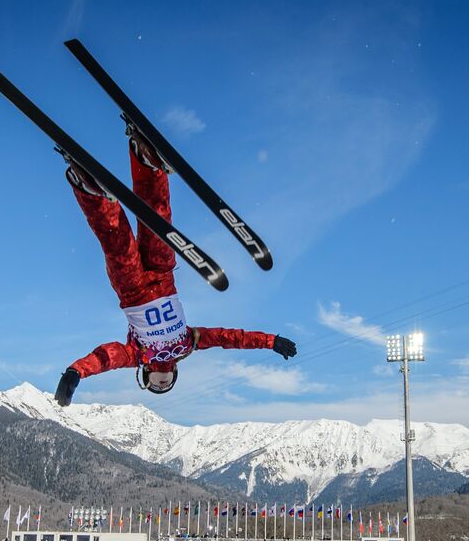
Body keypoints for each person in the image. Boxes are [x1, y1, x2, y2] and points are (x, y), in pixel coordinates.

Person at [52, 136, 295, 407]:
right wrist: (270, 341)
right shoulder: (190, 343)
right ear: (177, 373)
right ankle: (148, 163)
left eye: (155, 386)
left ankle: (91, 192)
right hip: (162, 273)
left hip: (131, 289)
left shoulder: (136, 355)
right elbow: (229, 338)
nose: (162, 384)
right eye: (166, 386)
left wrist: (77, 371)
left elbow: (107, 358)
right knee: (158, 224)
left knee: (116, 241)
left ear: (145, 376)